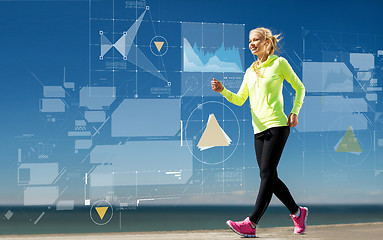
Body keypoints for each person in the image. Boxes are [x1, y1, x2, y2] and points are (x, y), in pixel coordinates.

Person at [211, 27, 307, 238]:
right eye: (249, 41)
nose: (251, 44)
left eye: (256, 40)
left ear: (267, 42)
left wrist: (295, 111)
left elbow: (300, 87)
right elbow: (239, 100)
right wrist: (223, 90)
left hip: (277, 125)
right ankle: (298, 213)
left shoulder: (279, 63)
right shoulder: (249, 71)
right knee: (269, 176)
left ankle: (251, 223)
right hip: (258, 129)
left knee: (266, 173)